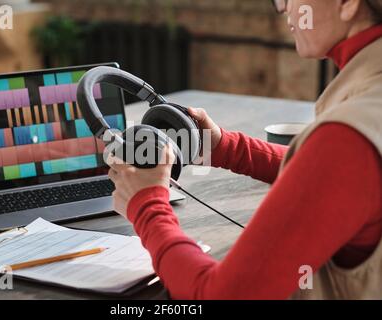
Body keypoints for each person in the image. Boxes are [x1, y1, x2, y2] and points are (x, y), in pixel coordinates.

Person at [107, 0, 382, 299]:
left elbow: (219, 295)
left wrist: (147, 206)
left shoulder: (345, 137)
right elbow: (335, 179)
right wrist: (225, 147)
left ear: (348, 3)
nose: (282, 9)